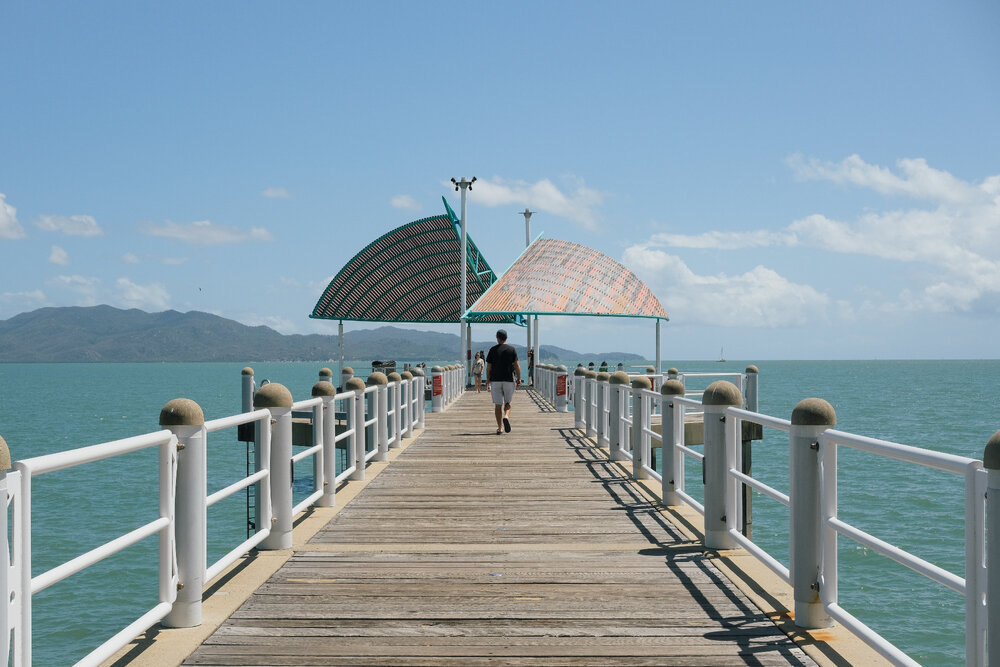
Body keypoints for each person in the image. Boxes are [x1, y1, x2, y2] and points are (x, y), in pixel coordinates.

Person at [485, 329, 520, 434]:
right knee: (508, 403)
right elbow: (517, 366)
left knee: (498, 405)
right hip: (509, 380)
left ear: (497, 338)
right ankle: (506, 416)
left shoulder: (492, 350)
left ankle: (500, 428)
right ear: (506, 338)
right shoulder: (512, 349)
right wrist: (518, 378)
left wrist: (488, 379)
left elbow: (489, 367)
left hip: (495, 381)